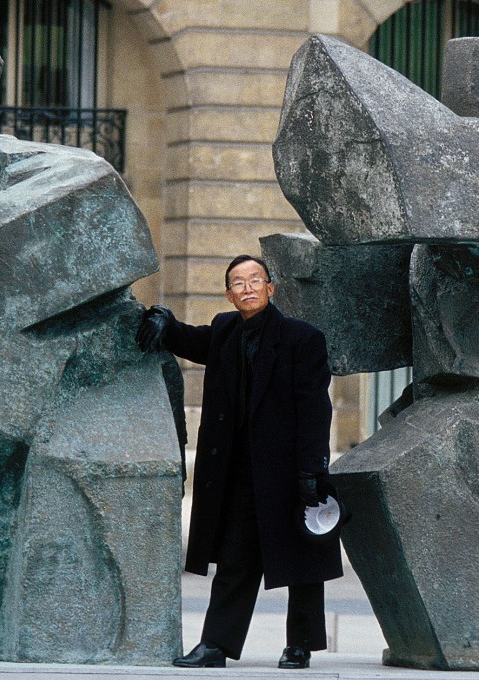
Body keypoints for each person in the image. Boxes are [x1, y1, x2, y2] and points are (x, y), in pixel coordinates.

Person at [136, 254, 342, 669]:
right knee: (234, 558)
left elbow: (315, 409)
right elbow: (189, 339)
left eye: (255, 280)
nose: (247, 288)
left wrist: (311, 470)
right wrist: (161, 317)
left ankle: (299, 645)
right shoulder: (224, 330)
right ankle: (215, 645)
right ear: (228, 294)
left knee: (302, 558)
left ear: (270, 288)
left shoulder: (303, 338)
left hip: (290, 470)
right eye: (238, 283)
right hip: (240, 472)